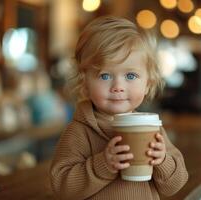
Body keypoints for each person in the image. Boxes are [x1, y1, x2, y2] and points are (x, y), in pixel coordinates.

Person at [50, 16, 188, 200]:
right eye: (105, 76)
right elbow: (61, 187)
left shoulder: (150, 129)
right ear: (84, 83)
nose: (118, 86)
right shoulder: (79, 131)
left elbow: (175, 186)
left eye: (130, 76)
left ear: (148, 83)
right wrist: (103, 165)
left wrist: (162, 161)